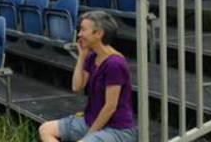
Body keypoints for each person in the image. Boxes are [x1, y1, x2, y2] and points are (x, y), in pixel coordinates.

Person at [39, 11, 137, 142]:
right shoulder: (92, 57)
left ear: (99, 34)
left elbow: (110, 107)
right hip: (90, 120)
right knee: (45, 129)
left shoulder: (115, 64)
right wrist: (82, 56)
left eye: (83, 30)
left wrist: (89, 134)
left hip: (117, 129)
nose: (79, 34)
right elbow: (77, 87)